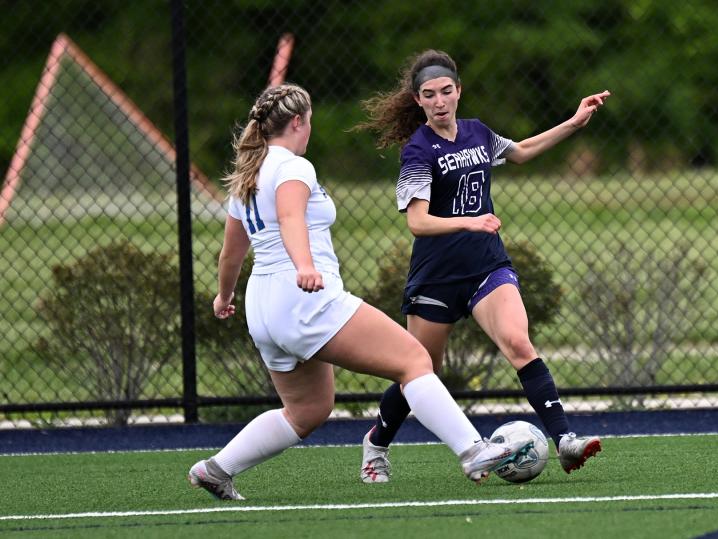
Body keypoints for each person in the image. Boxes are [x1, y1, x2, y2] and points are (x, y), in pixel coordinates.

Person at [187, 83, 527, 500]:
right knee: (414, 360)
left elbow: (230, 254)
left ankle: (216, 469)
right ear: (298, 121)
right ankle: (473, 451)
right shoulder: (294, 167)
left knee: (307, 410)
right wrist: (305, 265)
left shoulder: (249, 174)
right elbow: (291, 217)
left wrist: (224, 296)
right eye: (310, 121)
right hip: (303, 297)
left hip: (262, 308)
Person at [354, 50, 610, 483]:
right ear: (418, 100)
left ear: (459, 91)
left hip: (487, 267)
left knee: (518, 343)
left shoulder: (478, 133)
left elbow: (522, 151)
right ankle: (377, 442)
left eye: (446, 91)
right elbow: (418, 222)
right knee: (419, 371)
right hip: (436, 278)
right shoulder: (418, 150)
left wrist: (574, 122)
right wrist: (470, 221)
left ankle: (565, 440)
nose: (439, 101)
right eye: (429, 94)